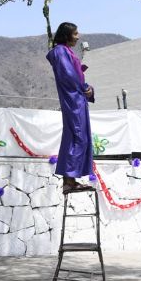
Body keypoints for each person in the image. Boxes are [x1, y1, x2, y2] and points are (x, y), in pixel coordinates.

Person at [47, 22, 96, 194]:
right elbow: (68, 76)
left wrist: (88, 88)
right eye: (75, 33)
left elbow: (76, 76)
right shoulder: (60, 51)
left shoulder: (67, 51)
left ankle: (71, 180)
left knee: (79, 136)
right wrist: (83, 88)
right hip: (73, 99)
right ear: (66, 34)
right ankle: (69, 180)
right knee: (77, 136)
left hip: (78, 98)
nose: (78, 36)